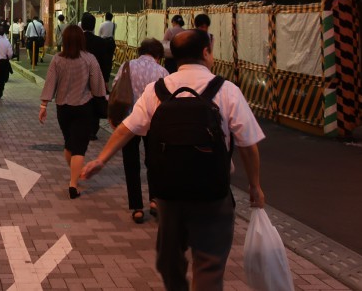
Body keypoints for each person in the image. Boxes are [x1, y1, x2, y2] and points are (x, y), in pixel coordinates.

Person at [82, 29, 266, 291]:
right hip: (213, 192)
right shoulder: (227, 91)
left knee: (170, 259)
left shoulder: (156, 90)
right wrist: (254, 186)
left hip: (169, 192)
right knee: (209, 263)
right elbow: (248, 145)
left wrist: (101, 160)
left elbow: (126, 128)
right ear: (205, 53)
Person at [39, 24, 107, 199]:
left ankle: (74, 173)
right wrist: (101, 97)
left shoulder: (57, 59)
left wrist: (44, 106)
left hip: (63, 109)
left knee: (69, 143)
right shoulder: (89, 59)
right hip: (84, 107)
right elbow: (98, 87)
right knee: (79, 147)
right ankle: (73, 184)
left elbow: (50, 83)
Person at [112, 38, 169, 224]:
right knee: (155, 162)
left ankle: (137, 207)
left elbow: (115, 89)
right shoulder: (162, 71)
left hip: (130, 120)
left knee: (131, 163)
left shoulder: (127, 66)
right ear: (158, 55)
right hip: (155, 123)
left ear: (140, 51)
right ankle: (154, 200)